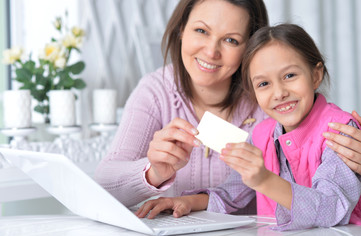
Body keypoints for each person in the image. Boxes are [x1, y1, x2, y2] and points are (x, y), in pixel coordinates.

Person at [95, 0, 361, 209]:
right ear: (181, 31)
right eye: (201, 30)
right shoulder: (156, 91)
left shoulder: (274, 108)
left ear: (250, 48)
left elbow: (329, 196)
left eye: (231, 40)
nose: (211, 51)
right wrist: (154, 174)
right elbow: (101, 187)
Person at [135, 24, 361, 230]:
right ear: (253, 93)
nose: (279, 93)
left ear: (315, 75)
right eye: (263, 84)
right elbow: (230, 194)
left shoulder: (341, 131)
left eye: (290, 75)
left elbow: (332, 209)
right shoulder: (261, 135)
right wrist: (185, 202)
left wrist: (264, 180)